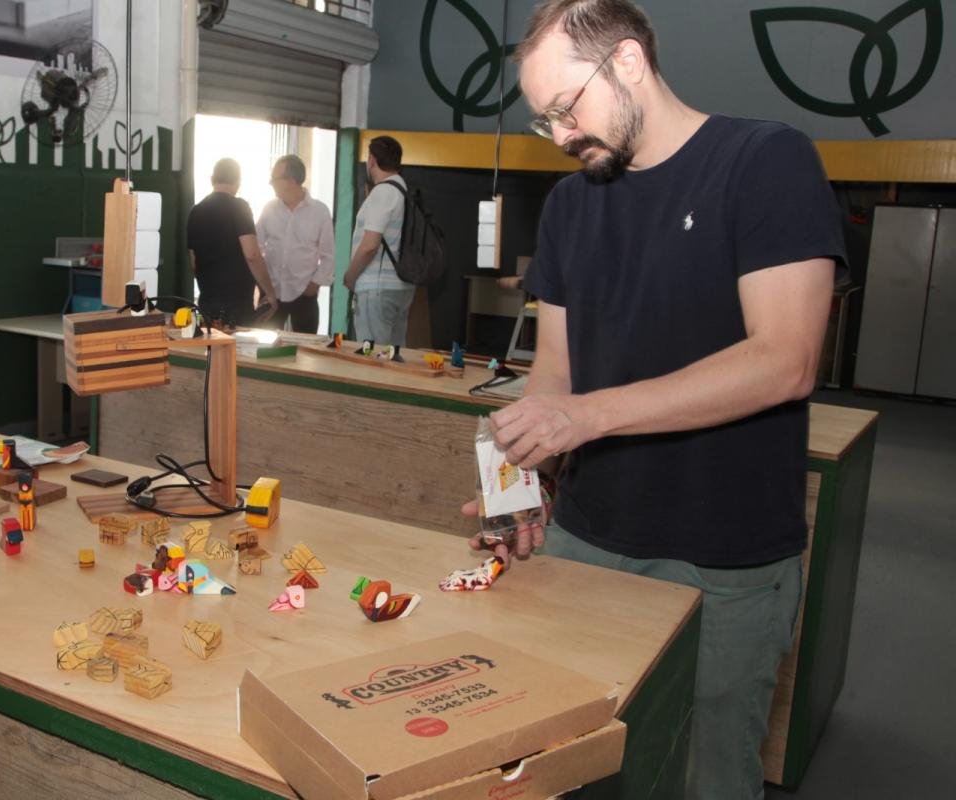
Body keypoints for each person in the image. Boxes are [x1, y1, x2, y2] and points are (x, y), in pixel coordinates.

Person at [464, 2, 845, 799]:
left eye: (566, 109)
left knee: (710, 777)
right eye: (545, 121)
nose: (561, 136)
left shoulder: (763, 162)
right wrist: (519, 482)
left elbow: (786, 360)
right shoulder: (570, 206)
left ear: (630, 62)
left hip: (724, 558)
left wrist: (588, 416)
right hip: (587, 539)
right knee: (571, 766)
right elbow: (555, 374)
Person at [186, 158, 278, 326]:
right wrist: (269, 293)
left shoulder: (196, 211)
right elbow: (252, 254)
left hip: (207, 302)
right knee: (237, 342)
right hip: (237, 305)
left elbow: (193, 262)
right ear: (238, 182)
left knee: (211, 341)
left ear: (212, 179)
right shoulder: (240, 207)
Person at [342, 135, 413, 348]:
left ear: (371, 160)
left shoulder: (383, 192)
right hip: (401, 287)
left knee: (372, 356)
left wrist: (350, 276)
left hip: (377, 289)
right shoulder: (404, 192)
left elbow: (370, 245)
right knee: (392, 354)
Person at [256, 155, 335, 333]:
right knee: (265, 345)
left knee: (305, 347)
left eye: (274, 178)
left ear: (291, 181)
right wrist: (263, 284)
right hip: (272, 294)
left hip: (305, 293)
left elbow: (328, 255)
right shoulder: (269, 209)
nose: (270, 183)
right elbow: (256, 246)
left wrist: (313, 286)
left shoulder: (319, 212)